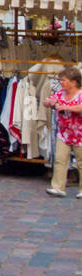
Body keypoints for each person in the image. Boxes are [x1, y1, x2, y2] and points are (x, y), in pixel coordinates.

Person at [46, 67, 82, 198]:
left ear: (73, 82)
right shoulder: (60, 93)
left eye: (64, 80)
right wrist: (49, 102)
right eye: (60, 80)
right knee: (60, 160)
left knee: (81, 161)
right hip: (64, 133)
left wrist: (66, 107)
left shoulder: (81, 94)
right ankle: (58, 187)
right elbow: (46, 101)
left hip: (80, 134)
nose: (61, 82)